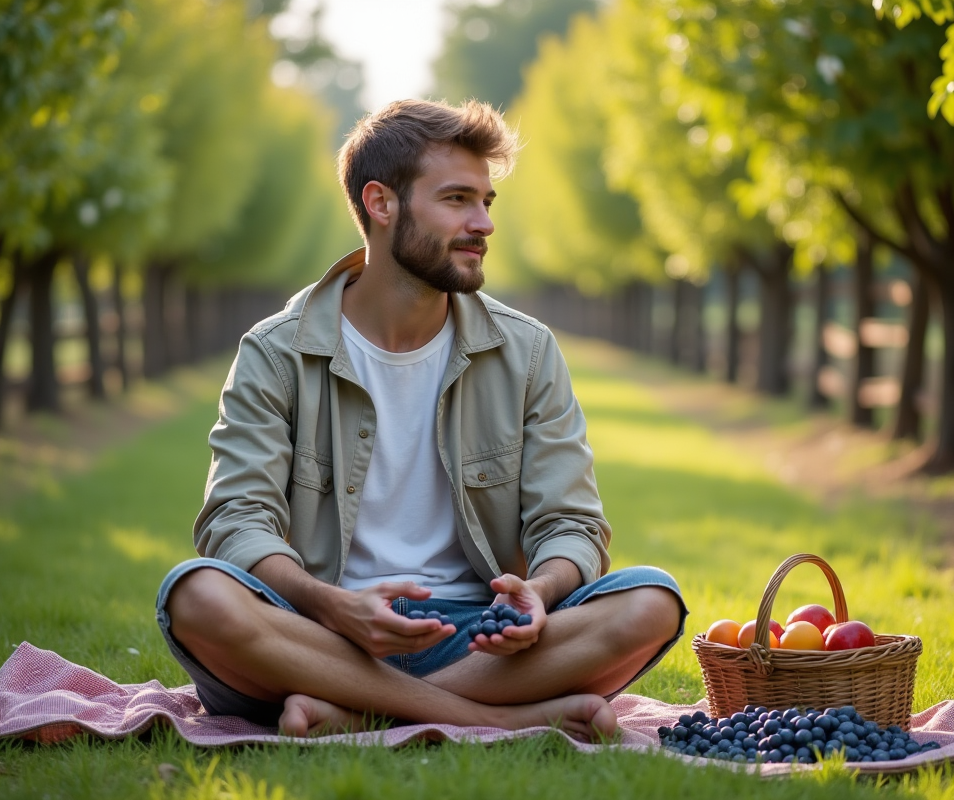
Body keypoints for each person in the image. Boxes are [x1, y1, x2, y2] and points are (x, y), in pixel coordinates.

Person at [155, 99, 687, 741]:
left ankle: (354, 715)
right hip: (320, 633)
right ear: (381, 203)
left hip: (481, 641)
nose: (483, 223)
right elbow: (236, 520)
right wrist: (334, 606)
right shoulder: (274, 351)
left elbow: (571, 523)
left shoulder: (528, 351)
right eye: (457, 199)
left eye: (486, 201)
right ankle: (495, 719)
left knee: (651, 601)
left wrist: (541, 592)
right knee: (197, 594)